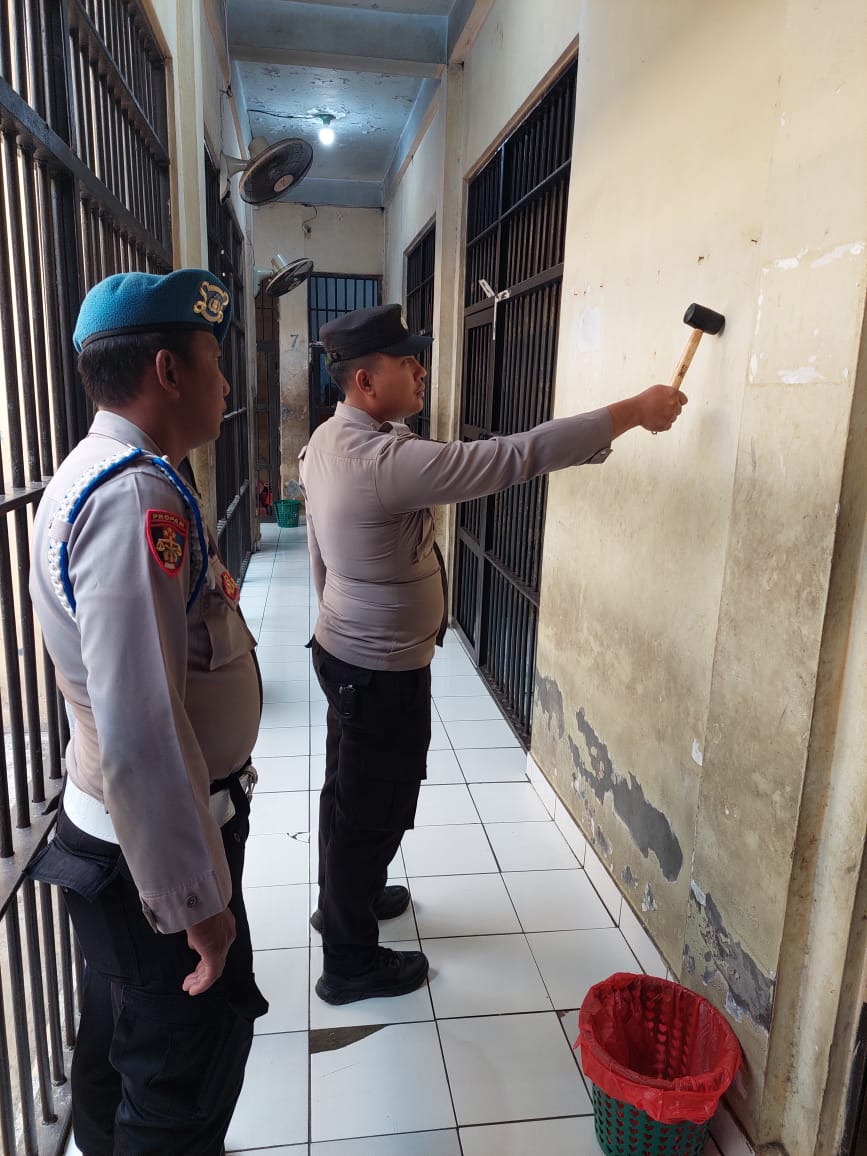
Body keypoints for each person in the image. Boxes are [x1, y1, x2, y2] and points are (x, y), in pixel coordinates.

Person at [300, 302, 687, 1005]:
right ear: (365, 381)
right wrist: (633, 410)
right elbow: (514, 456)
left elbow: (319, 554)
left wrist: (336, 624)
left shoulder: (331, 438)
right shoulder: (385, 461)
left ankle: (345, 901)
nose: (422, 370)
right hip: (376, 668)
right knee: (373, 807)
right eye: (407, 361)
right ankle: (348, 962)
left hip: (347, 654)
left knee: (348, 792)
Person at [27, 269, 268, 1155]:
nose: (226, 384)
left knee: (119, 1049)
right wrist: (195, 902)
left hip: (125, 839)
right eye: (214, 361)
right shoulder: (135, 495)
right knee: (179, 1079)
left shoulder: (98, 471)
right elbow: (141, 728)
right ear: (167, 370)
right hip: (148, 856)